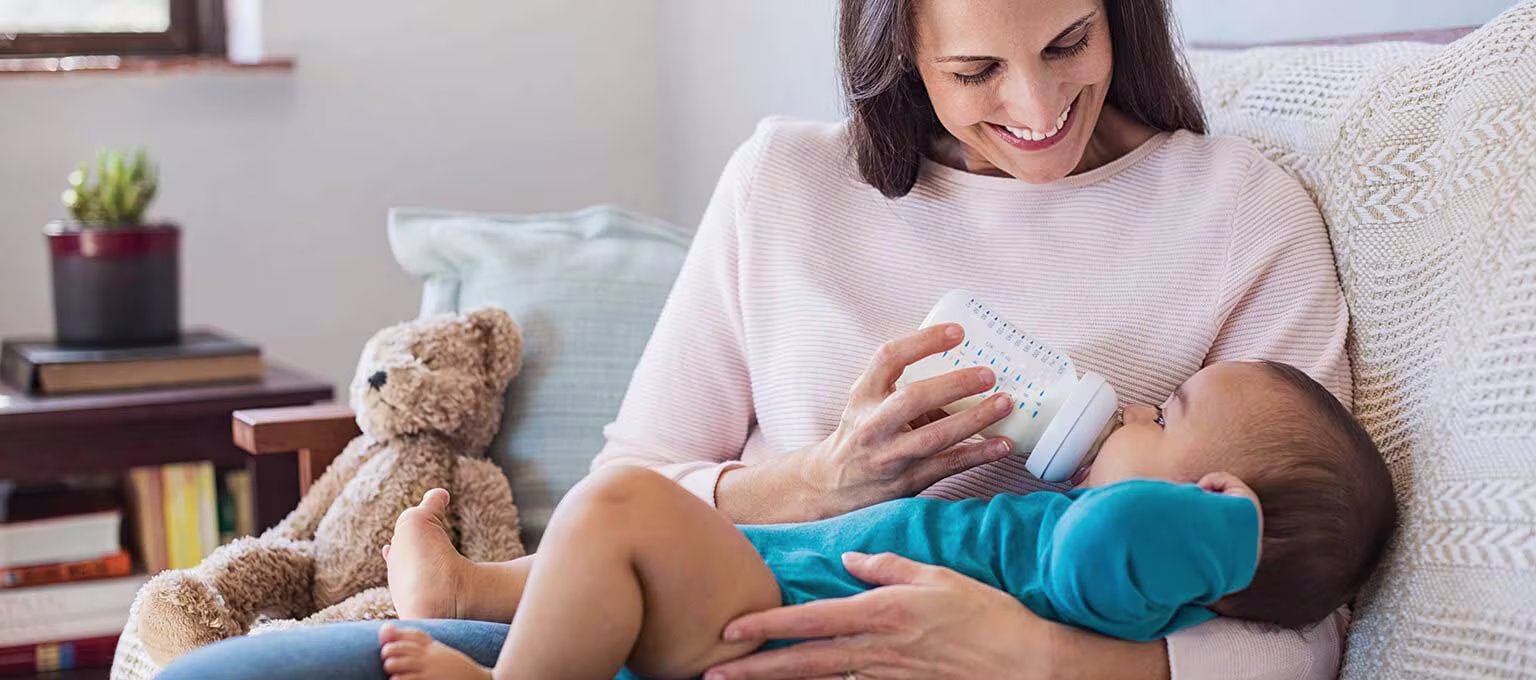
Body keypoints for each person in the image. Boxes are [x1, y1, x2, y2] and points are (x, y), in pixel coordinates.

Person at [156, 0, 1360, 677]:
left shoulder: (1236, 211)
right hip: (687, 624)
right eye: (978, 68)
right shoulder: (788, 183)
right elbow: (625, 483)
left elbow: (1305, 612)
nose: (1038, 112)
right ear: (897, 46)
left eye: (1070, 43)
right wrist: (816, 478)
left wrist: (1020, 656)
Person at [370, 361, 1393, 680]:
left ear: (1212, 505)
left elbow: (1122, 542)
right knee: (624, 541)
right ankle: (476, 589)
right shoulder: (1086, 540)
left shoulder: (1114, 558)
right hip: (779, 569)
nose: (1131, 406)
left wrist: (1217, 529)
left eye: (1162, 416)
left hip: (787, 613)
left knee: (621, 511)